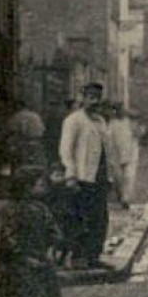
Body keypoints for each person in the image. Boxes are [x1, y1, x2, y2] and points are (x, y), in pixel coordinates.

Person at [0, 166, 65, 297]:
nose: (43, 187)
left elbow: (55, 233)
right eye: (39, 184)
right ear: (26, 187)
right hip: (19, 271)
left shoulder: (42, 209)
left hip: (40, 267)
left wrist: (51, 248)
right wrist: (24, 257)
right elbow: (8, 240)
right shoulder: (11, 211)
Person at [58, 84, 114, 270]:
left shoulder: (100, 121)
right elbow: (66, 150)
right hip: (82, 177)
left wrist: (110, 177)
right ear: (82, 98)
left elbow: (107, 152)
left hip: (99, 178)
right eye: (90, 97)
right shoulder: (74, 120)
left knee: (99, 219)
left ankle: (93, 256)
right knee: (81, 219)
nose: (94, 101)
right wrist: (71, 175)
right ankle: (78, 258)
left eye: (97, 97)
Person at [106, 103, 140, 208]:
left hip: (130, 153)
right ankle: (120, 196)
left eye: (120, 110)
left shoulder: (129, 122)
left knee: (129, 176)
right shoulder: (112, 124)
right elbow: (109, 140)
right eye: (116, 111)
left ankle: (126, 199)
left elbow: (136, 134)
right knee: (118, 177)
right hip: (116, 154)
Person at [5, 105, 46, 176]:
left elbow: (14, 131)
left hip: (23, 144)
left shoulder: (17, 116)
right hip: (37, 142)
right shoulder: (35, 116)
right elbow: (43, 130)